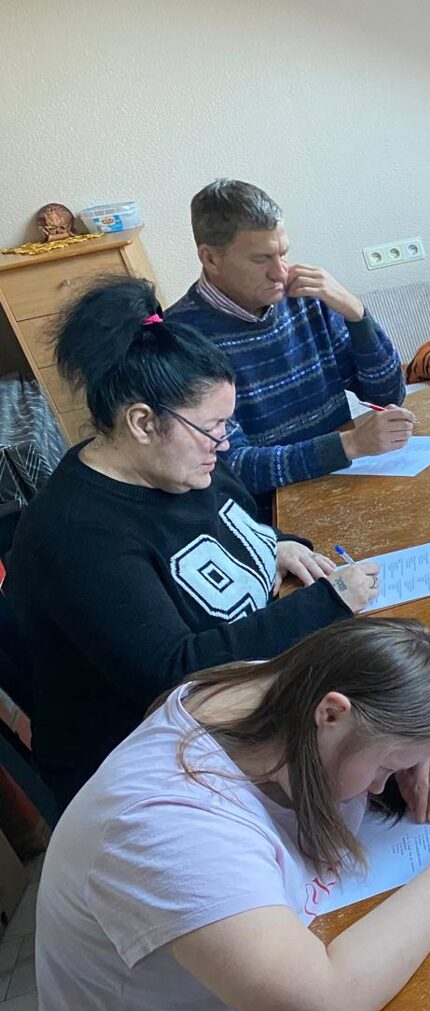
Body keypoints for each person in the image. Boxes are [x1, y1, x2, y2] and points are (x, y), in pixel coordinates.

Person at [32, 618, 430, 1011]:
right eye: (385, 768)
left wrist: (419, 738)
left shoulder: (280, 693)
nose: (381, 786)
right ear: (331, 713)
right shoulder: (167, 826)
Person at [3, 277, 384, 808]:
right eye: (212, 427)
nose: (223, 444)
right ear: (142, 423)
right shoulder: (77, 536)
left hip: (241, 703)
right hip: (151, 769)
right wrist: (328, 603)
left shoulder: (180, 467)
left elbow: (230, 525)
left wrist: (276, 544)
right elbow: (176, 675)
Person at [166, 178, 417, 503]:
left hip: (346, 480)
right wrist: (350, 445)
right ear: (210, 258)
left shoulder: (306, 297)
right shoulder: (179, 339)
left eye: (283, 254)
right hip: (274, 508)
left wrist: (357, 315)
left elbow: (386, 396)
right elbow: (233, 468)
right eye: (261, 259)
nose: (280, 272)